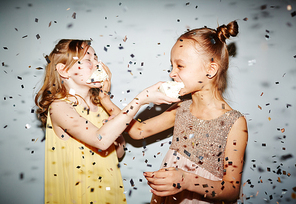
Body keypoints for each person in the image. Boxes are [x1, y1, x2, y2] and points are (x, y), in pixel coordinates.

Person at [34, 39, 179, 204]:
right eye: (89, 60)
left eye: (97, 59)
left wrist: (116, 136)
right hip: (79, 194)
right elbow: (100, 141)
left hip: (108, 192)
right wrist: (141, 99)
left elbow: (118, 153)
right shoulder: (59, 107)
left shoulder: (100, 106)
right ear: (64, 70)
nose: (98, 64)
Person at [125, 21, 248, 203]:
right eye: (172, 66)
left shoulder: (235, 123)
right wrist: (104, 99)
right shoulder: (181, 107)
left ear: (210, 70)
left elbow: (231, 190)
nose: (172, 74)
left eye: (180, 66)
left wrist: (187, 180)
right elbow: (137, 131)